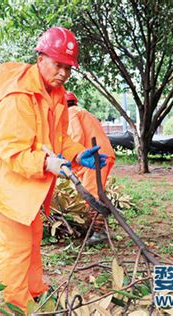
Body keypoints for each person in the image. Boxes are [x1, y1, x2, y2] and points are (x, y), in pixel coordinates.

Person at [0, 27, 107, 311]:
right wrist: (47, 163)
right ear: (41, 58)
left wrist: (78, 154)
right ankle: (17, 304)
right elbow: (13, 151)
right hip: (7, 183)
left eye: (68, 67)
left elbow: (58, 138)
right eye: (57, 64)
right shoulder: (18, 96)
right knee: (16, 247)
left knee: (33, 235)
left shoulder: (57, 94)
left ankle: (35, 290)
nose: (62, 72)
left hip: (29, 184)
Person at [66, 91, 116, 245]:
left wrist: (72, 157)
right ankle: (104, 223)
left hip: (94, 158)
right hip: (100, 155)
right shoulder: (84, 112)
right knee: (95, 193)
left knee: (90, 195)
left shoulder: (70, 112)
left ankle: (100, 232)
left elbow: (76, 137)